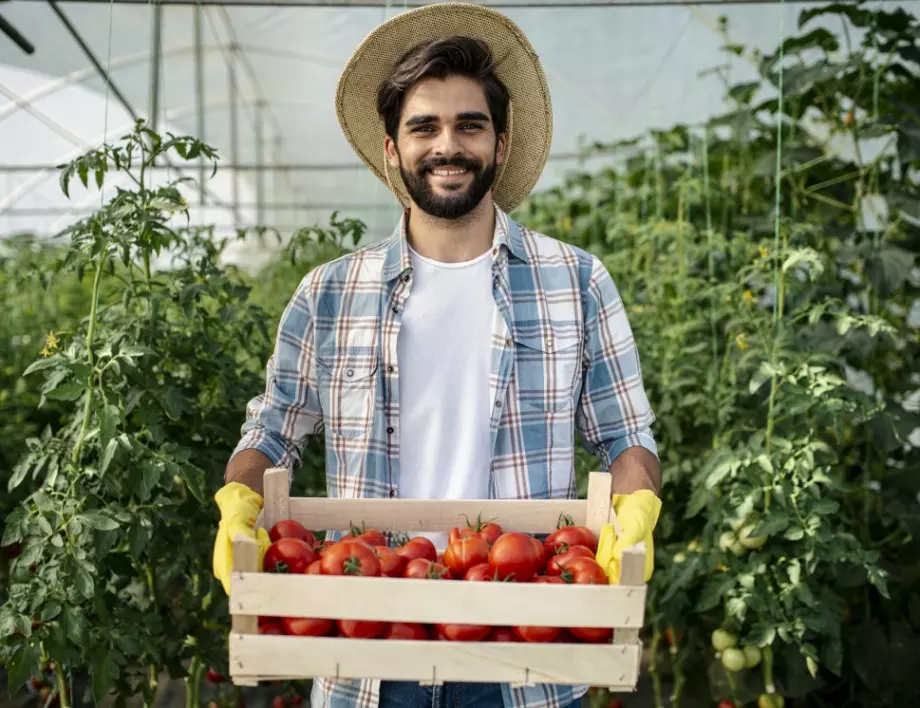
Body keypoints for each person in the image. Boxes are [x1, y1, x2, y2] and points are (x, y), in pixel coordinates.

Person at [211, 4, 662, 707]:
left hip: (524, 643)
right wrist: (240, 498)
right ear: (392, 148)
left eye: (469, 126)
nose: (446, 146)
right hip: (367, 643)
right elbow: (272, 432)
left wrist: (635, 515)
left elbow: (626, 438)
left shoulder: (576, 282)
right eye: (424, 127)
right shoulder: (330, 293)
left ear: (501, 145)